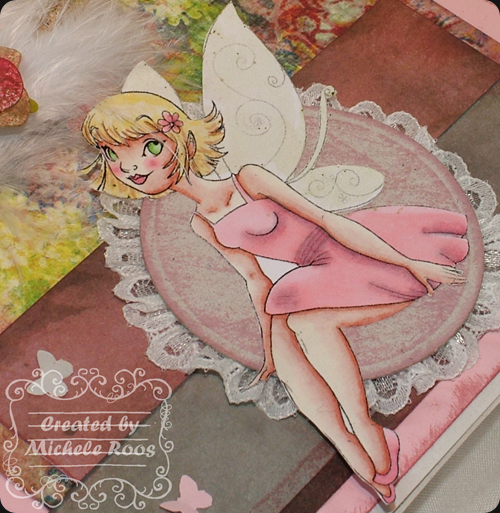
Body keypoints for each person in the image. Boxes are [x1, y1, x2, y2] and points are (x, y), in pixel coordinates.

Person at [82, 91, 468, 503]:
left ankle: (364, 425)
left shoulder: (248, 179)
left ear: (178, 135)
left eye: (148, 148)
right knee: (286, 348)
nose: (133, 168)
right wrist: (267, 346)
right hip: (302, 283)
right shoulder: (201, 224)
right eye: (116, 157)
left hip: (345, 258)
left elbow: (327, 219)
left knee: (303, 319)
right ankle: (353, 451)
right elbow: (255, 279)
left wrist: (407, 261)